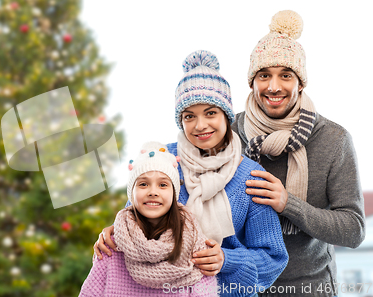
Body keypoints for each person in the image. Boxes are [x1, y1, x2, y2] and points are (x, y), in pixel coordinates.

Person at [95, 50, 288, 297]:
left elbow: (273, 259)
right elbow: (133, 217)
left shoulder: (252, 177)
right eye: (189, 116)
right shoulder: (162, 159)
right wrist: (113, 232)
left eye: (210, 113)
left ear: (227, 116)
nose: (200, 126)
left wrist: (227, 260)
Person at [232, 10, 365, 296]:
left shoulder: (334, 140)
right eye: (264, 75)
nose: (274, 86)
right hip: (239, 285)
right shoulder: (229, 132)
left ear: (301, 82)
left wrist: (287, 204)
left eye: (286, 75)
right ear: (252, 82)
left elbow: (354, 230)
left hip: (309, 287)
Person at [80, 141, 218, 296]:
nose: (153, 192)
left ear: (174, 194)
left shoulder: (196, 248)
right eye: (143, 184)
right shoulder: (111, 247)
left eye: (163, 185)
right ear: (131, 195)